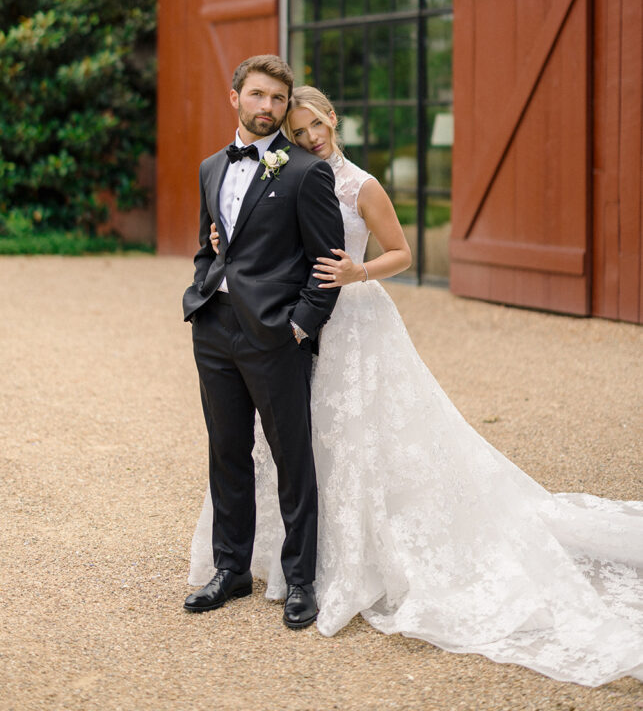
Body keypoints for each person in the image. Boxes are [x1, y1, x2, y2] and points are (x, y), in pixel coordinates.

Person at [189, 84, 643, 687]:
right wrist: (223, 246)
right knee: (299, 441)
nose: (309, 137)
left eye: (315, 124)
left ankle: (339, 565)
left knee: (354, 439)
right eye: (297, 131)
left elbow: (401, 252)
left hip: (350, 319)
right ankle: (260, 560)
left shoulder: (360, 184)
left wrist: (357, 271)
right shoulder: (275, 172)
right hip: (284, 322)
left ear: (333, 119)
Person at [182, 59, 344, 630]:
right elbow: (208, 247)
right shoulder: (210, 167)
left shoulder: (305, 172)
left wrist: (300, 326)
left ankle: (300, 580)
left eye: (277, 98)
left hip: (276, 335)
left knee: (291, 458)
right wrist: (200, 291)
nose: (267, 107)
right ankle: (230, 570)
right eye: (257, 95)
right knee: (226, 451)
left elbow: (328, 263)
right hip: (214, 328)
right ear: (235, 98)